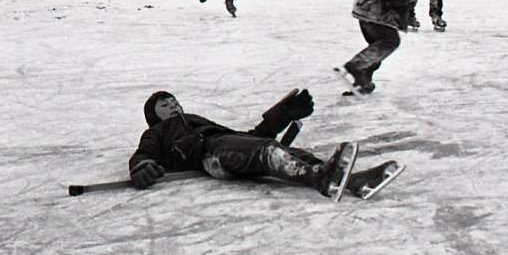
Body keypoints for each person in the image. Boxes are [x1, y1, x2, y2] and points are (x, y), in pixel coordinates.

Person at [128, 90, 401, 199]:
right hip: (209, 156)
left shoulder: (197, 122)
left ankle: (352, 181)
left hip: (223, 148)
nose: (173, 106)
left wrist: (282, 114)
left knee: (290, 153)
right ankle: (323, 179)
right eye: (165, 105)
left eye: (174, 101)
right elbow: (143, 154)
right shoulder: (158, 132)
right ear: (154, 117)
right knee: (267, 152)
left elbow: (249, 137)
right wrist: (142, 166)